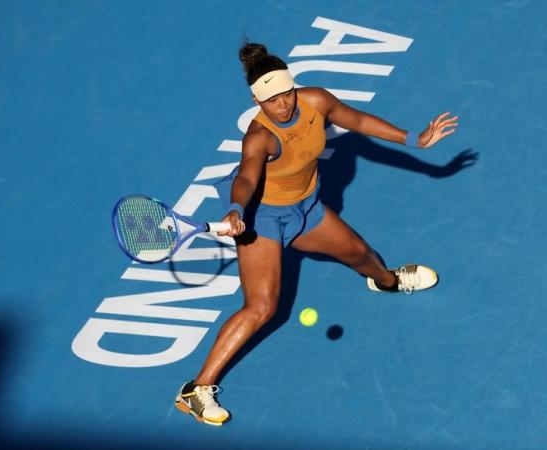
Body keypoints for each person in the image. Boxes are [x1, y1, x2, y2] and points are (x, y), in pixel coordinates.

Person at [174, 42, 458, 426]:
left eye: (286, 94)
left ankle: (388, 282)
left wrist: (415, 139)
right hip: (262, 220)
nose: (283, 105)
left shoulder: (316, 101)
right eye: (272, 101)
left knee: (359, 251)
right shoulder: (260, 137)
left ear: (294, 87)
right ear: (259, 104)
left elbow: (356, 120)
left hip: (306, 210)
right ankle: (196, 390)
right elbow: (246, 177)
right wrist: (238, 210)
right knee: (262, 307)